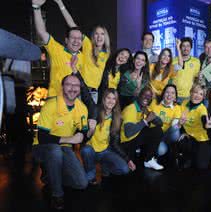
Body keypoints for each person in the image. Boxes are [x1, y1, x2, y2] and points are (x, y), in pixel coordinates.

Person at [32, 75, 92, 210]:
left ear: (80, 89)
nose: (73, 88)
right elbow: (42, 137)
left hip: (64, 149)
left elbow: (83, 133)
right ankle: (57, 195)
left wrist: (88, 131)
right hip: (42, 147)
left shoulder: (82, 107)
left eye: (76, 85)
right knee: (55, 150)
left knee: (81, 183)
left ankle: (51, 174)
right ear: (62, 87)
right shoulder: (50, 105)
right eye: (69, 84)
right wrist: (70, 139)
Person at [54, 0, 111, 95]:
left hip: (94, 93)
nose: (99, 37)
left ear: (105, 37)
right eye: (96, 34)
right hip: (81, 89)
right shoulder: (88, 44)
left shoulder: (107, 53)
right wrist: (61, 4)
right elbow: (72, 25)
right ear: (93, 36)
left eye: (102, 34)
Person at [80, 89, 136, 185]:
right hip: (91, 149)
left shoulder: (117, 118)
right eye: (108, 98)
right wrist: (91, 130)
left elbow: (115, 143)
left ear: (116, 101)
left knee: (124, 169)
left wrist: (127, 159)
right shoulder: (95, 111)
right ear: (103, 99)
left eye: (114, 99)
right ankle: (91, 173)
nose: (111, 101)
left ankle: (104, 165)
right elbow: (87, 97)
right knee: (86, 151)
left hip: (105, 151)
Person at [32, 0, 84, 97]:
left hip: (75, 102)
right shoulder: (56, 49)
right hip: (55, 99)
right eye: (73, 38)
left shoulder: (83, 56)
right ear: (66, 40)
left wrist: (61, 4)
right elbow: (42, 32)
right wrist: (36, 7)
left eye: (79, 39)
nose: (76, 41)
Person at [120, 86, 164, 170]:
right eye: (145, 95)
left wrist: (149, 114)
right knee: (125, 170)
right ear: (139, 95)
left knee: (157, 130)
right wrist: (146, 120)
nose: (147, 98)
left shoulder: (144, 109)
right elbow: (128, 133)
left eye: (149, 96)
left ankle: (148, 160)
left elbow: (160, 123)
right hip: (126, 142)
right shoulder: (130, 109)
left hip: (135, 138)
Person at [179, 83, 211, 169]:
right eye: (195, 92)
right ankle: (187, 157)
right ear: (190, 93)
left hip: (201, 139)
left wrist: (207, 124)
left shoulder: (202, 109)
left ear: (203, 97)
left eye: (201, 94)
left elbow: (204, 118)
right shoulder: (184, 103)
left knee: (202, 166)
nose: (197, 96)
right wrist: (182, 132)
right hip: (189, 137)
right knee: (182, 142)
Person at [149, 84, 182, 157]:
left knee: (175, 129)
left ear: (175, 97)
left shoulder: (177, 108)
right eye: (167, 92)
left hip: (166, 135)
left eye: (173, 93)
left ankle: (170, 146)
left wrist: (179, 124)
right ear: (163, 94)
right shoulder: (154, 103)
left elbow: (174, 125)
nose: (169, 95)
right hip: (153, 133)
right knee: (160, 150)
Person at [172, 37, 201, 103]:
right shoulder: (173, 61)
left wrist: (199, 78)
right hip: (175, 95)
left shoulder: (196, 61)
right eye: (183, 46)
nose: (186, 48)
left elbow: (196, 79)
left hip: (189, 96)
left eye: (188, 46)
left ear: (191, 48)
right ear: (180, 47)